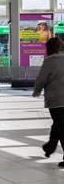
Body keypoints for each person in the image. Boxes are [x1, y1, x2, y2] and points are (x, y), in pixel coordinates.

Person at [32, 37, 64, 167]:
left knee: (61, 127)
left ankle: (51, 148)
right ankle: (49, 147)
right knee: (59, 125)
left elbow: (41, 79)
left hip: (57, 100)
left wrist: (36, 92)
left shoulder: (50, 61)